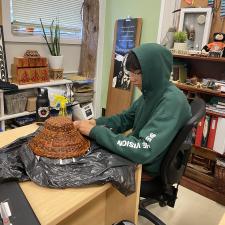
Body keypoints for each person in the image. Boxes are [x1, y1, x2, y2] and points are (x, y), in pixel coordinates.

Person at [74, 43, 192, 179]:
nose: (132, 78)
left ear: (155, 71)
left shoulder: (172, 101)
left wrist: (96, 132)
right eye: (130, 72)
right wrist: (95, 123)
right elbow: (125, 119)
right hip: (140, 157)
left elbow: (144, 150)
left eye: (138, 73)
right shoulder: (151, 93)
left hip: (148, 166)